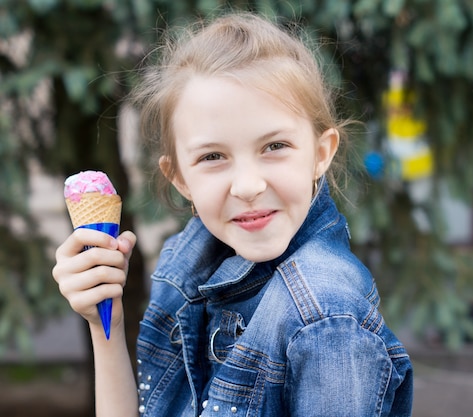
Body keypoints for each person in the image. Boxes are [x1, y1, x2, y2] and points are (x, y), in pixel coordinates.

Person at [53, 11, 413, 417]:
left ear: (321, 154)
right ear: (180, 179)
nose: (247, 185)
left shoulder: (328, 321)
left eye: (274, 146)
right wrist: (106, 325)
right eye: (213, 156)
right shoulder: (183, 268)